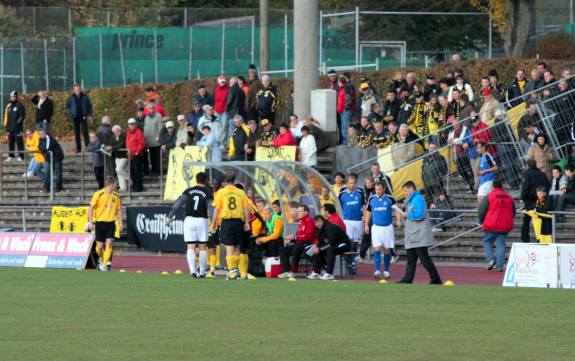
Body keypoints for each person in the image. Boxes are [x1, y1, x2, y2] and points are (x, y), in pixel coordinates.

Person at [166, 172, 211, 278]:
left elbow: (179, 202)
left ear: (196, 180)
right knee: (202, 246)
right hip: (201, 220)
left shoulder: (189, 191)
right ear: (206, 180)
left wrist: (170, 215)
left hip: (189, 220)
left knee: (190, 246)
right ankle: (202, 272)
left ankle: (193, 271)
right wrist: (213, 221)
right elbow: (211, 207)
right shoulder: (207, 192)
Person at [397, 181, 442, 284]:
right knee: (411, 259)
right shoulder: (412, 200)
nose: (405, 193)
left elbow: (420, 214)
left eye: (405, 191)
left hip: (419, 235)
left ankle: (435, 279)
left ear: (410, 189)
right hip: (414, 234)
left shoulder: (418, 199)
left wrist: (408, 214)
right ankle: (408, 278)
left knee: (424, 259)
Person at [210, 171, 251, 280]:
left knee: (229, 247)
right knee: (237, 246)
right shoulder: (241, 192)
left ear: (225, 180)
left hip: (227, 221)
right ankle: (235, 271)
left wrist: (213, 223)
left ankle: (232, 271)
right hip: (238, 222)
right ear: (235, 179)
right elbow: (246, 208)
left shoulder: (221, 192)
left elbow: (217, 209)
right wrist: (247, 222)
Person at [364, 182, 401, 279]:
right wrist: (366, 224)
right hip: (376, 228)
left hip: (387, 228)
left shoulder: (390, 199)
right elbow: (368, 211)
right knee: (377, 248)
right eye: (376, 189)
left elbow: (396, 209)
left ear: (383, 189)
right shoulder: (371, 199)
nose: (378, 191)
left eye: (379, 189)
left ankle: (386, 271)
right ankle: (376, 270)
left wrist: (398, 220)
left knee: (386, 250)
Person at [479, 177, 515, 272]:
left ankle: (491, 259)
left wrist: (481, 220)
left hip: (491, 224)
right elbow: (513, 212)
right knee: (501, 244)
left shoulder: (489, 196)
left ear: (493, 186)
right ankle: (500, 266)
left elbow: (482, 210)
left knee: (486, 241)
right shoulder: (509, 197)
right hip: (505, 225)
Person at [87, 177, 122, 272]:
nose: (117, 186)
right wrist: (90, 222)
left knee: (109, 244)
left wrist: (120, 222)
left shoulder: (116, 196)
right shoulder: (98, 194)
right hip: (99, 223)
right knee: (98, 248)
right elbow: (91, 208)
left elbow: (119, 210)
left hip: (111, 223)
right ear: (111, 184)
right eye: (116, 184)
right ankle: (103, 259)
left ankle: (104, 264)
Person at [278, 205, 317, 279]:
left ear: (306, 212)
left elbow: (308, 236)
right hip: (300, 243)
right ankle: (287, 271)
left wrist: (295, 237)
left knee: (297, 247)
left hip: (308, 244)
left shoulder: (309, 220)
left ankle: (293, 272)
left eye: (300, 211)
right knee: (283, 250)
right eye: (298, 211)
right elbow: (299, 235)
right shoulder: (301, 220)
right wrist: (291, 239)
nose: (298, 213)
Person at [308, 215, 351, 280]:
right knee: (316, 250)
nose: (317, 224)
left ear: (323, 221)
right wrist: (317, 248)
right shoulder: (318, 229)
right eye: (316, 223)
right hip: (333, 244)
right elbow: (321, 242)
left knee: (330, 250)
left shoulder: (330, 227)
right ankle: (317, 273)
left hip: (343, 244)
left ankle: (329, 274)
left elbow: (332, 242)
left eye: (319, 222)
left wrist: (320, 249)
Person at [338, 173, 366, 268]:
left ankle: (352, 259)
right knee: (348, 240)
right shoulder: (342, 192)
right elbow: (339, 206)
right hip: (346, 220)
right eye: (350, 183)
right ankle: (350, 262)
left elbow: (364, 205)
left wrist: (365, 217)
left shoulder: (360, 191)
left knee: (355, 242)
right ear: (347, 183)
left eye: (354, 183)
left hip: (358, 220)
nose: (352, 185)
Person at [520, 158, 550, 242]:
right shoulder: (542, 174)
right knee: (541, 219)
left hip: (530, 201)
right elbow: (547, 185)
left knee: (526, 221)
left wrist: (524, 198)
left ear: (528, 165)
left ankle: (525, 239)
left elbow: (525, 187)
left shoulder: (527, 174)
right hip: (541, 200)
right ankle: (541, 239)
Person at [66, 85, 93, 153]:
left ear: (80, 90)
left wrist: (90, 114)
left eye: (78, 89)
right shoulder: (71, 97)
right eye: (75, 89)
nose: (77, 90)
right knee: (76, 133)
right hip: (75, 117)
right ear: (74, 90)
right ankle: (78, 148)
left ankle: (87, 146)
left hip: (83, 117)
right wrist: (70, 113)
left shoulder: (85, 97)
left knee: (85, 132)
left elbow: (89, 106)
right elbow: (68, 106)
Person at [37, 128, 64, 193]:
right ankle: (46, 187)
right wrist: (42, 149)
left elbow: (47, 147)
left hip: (57, 157)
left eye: (41, 134)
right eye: (39, 134)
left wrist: (42, 149)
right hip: (50, 158)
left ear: (44, 133)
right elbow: (39, 147)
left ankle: (58, 187)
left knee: (58, 173)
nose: (40, 135)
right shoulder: (40, 139)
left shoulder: (49, 137)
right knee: (48, 172)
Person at [4, 90, 26, 162]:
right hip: (10, 129)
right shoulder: (9, 106)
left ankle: (21, 156)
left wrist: (17, 124)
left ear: (16, 97)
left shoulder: (19, 105)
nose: (12, 98)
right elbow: (7, 118)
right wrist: (7, 127)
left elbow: (22, 116)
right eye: (11, 97)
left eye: (13, 97)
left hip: (17, 129)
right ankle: (11, 156)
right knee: (10, 143)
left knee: (19, 142)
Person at [143, 102, 163, 176]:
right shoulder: (146, 117)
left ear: (154, 108)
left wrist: (158, 138)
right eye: (150, 108)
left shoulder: (158, 116)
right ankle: (153, 171)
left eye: (152, 107)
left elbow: (160, 128)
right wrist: (145, 138)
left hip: (156, 140)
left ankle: (157, 171)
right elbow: (145, 128)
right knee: (151, 157)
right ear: (148, 109)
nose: (151, 109)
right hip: (149, 140)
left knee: (157, 157)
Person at [125, 118, 145, 192]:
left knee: (138, 171)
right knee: (132, 172)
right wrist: (128, 152)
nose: (132, 125)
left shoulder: (138, 132)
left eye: (133, 123)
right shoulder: (128, 132)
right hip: (130, 155)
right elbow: (127, 143)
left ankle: (138, 187)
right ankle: (134, 186)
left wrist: (137, 152)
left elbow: (141, 143)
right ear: (128, 125)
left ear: (135, 124)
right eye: (130, 124)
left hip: (137, 155)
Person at [476, 142, 498, 207]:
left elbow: (495, 167)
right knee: (479, 201)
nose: (477, 149)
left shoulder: (487, 155)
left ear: (483, 148)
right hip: (482, 181)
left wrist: (484, 171)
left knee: (483, 201)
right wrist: (479, 172)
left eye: (478, 147)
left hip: (488, 180)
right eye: (477, 148)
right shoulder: (481, 157)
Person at [337, 75, 356, 145]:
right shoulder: (342, 88)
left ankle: (347, 142)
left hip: (346, 111)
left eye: (338, 82)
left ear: (340, 82)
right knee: (344, 127)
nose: (337, 83)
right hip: (343, 111)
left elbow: (348, 99)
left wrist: (345, 108)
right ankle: (346, 142)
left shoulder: (346, 88)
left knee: (345, 128)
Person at [112, 125, 129, 192]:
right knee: (119, 173)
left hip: (124, 156)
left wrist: (112, 147)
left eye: (117, 130)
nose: (116, 132)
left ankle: (130, 179)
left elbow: (121, 144)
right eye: (114, 131)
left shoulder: (124, 135)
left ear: (119, 130)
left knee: (118, 169)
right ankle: (123, 188)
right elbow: (112, 144)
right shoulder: (114, 137)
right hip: (117, 157)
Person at [214, 75, 230, 142]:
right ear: (218, 82)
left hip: (224, 111)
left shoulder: (228, 90)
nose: (222, 83)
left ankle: (222, 142)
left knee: (224, 127)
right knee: (216, 126)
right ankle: (217, 140)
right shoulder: (216, 89)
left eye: (223, 81)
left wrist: (226, 108)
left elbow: (228, 100)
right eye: (221, 81)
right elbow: (214, 100)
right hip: (216, 111)